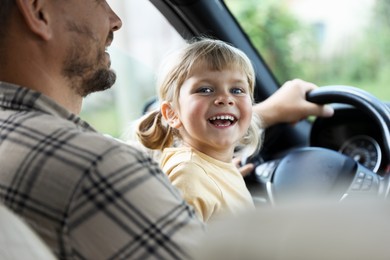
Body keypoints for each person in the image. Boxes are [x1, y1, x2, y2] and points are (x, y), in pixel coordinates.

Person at [0, 0, 333, 259]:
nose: (116, 20)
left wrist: (216, 166)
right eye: (99, 0)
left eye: (238, 90)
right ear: (38, 10)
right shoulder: (98, 169)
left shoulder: (17, 134)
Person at [136, 38, 262, 222]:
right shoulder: (188, 175)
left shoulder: (209, 169)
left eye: (237, 90)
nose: (225, 99)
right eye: (205, 89)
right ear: (172, 113)